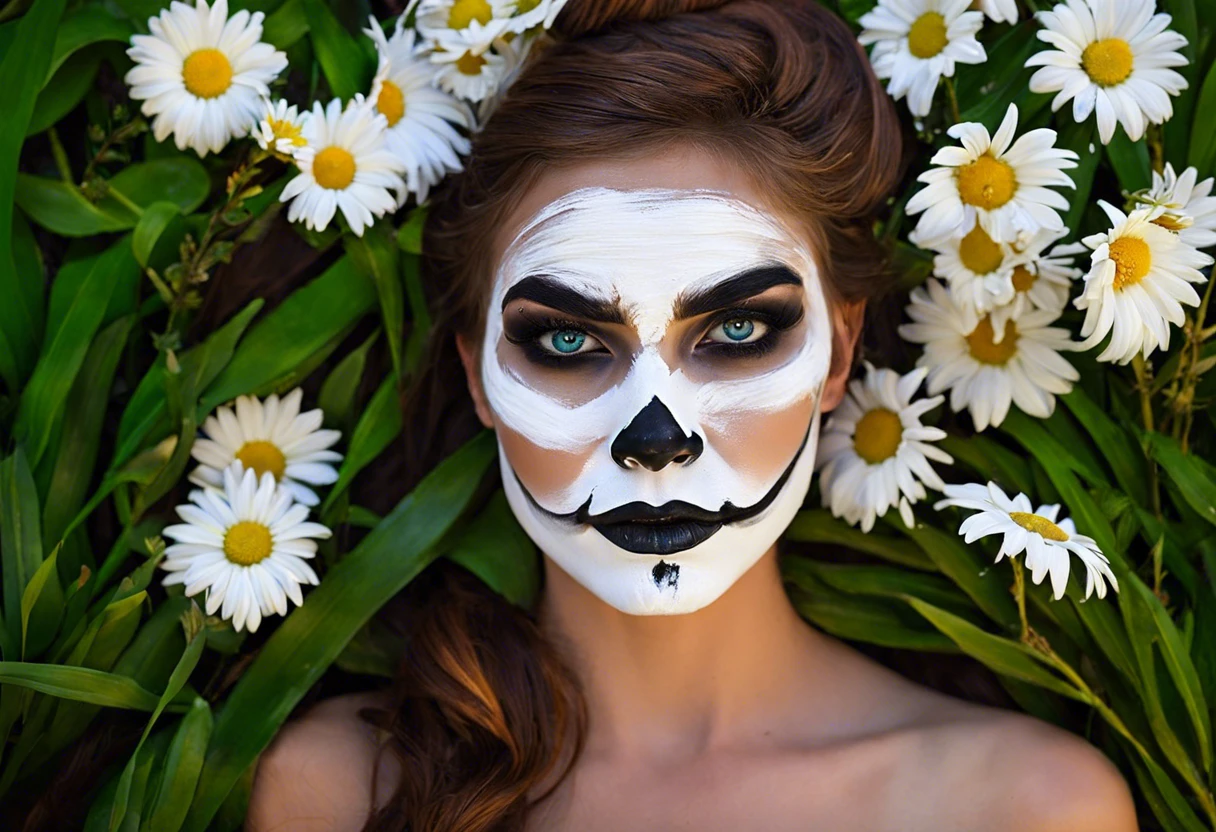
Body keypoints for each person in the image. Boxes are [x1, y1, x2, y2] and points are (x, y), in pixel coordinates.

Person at [246, 1, 1140, 829]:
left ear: (839, 349)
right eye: (566, 343)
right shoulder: (342, 791)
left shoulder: (1023, 809)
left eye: (739, 329)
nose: (655, 441)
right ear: (477, 377)